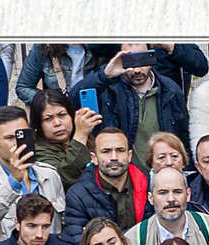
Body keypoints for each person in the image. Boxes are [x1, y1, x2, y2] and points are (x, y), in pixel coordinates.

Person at [70, 43, 190, 173]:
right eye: (130, 61)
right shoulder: (108, 89)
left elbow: (183, 137)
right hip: (123, 177)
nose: (137, 70)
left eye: (143, 60)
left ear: (152, 57)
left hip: (162, 175)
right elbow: (73, 99)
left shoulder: (170, 90)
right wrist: (105, 75)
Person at [0, 106, 66, 245]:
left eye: (22, 136)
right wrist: (13, 181)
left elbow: (61, 225)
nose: (18, 144)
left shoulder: (49, 174)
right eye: (9, 138)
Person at [60, 126, 151, 245]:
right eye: (106, 151)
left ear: (129, 156)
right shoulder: (78, 195)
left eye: (120, 150)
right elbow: (76, 243)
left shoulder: (148, 184)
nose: (114, 157)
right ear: (94, 158)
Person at [28, 89, 101, 191]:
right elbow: (63, 178)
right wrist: (80, 136)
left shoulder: (87, 138)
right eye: (48, 119)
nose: (57, 123)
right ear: (38, 124)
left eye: (62, 115)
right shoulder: (37, 150)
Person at [15, 43, 100, 102]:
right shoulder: (43, 47)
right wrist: (49, 101)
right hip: (58, 119)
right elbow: (23, 87)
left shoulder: (105, 47)